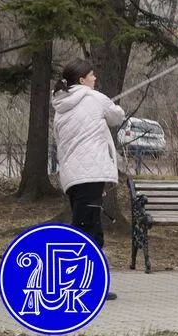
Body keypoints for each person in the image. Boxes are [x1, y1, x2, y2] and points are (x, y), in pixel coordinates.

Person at [51, 59, 125, 300]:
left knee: (87, 226)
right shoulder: (93, 97)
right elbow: (117, 117)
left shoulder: (60, 104)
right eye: (92, 75)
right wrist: (111, 105)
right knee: (88, 230)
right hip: (90, 173)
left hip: (74, 177)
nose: (95, 79)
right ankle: (83, 287)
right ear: (82, 79)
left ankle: (87, 284)